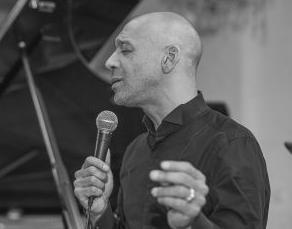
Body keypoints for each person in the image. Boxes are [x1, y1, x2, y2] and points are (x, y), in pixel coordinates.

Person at [73, 12, 270, 229]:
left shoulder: (232, 143)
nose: (110, 61)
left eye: (125, 49)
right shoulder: (135, 150)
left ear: (169, 58)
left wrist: (193, 221)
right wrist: (101, 213)